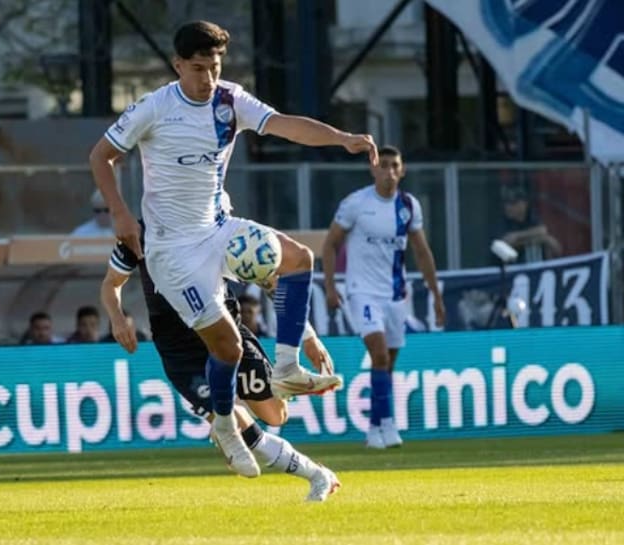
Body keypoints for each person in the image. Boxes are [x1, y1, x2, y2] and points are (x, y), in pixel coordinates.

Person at [89, 20, 375, 477]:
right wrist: (121, 214)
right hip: (173, 253)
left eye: (215, 66)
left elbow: (284, 125)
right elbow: (99, 156)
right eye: (199, 68)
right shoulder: (154, 108)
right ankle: (224, 425)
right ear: (178, 65)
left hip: (218, 228)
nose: (208, 78)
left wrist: (341, 138)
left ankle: (286, 365)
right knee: (227, 350)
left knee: (299, 258)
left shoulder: (229, 99)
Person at [101, 235, 340, 501]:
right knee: (244, 431)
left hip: (227, 333)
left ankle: (226, 420)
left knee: (276, 416)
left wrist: (307, 336)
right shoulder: (139, 234)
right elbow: (111, 283)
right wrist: (117, 318)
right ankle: (317, 476)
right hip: (181, 351)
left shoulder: (211, 228)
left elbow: (270, 280)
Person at [322, 146, 445, 449]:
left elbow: (421, 251)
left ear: (402, 171)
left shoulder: (408, 206)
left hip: (395, 294)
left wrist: (436, 295)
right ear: (374, 169)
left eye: (395, 166)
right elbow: (329, 245)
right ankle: (389, 426)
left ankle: (374, 428)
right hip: (361, 292)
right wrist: (329, 286)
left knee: (387, 363)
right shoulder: (356, 204)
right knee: (377, 353)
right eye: (384, 165)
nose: (389, 172)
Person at [497, 184, 562, 263]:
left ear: (524, 204)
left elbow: (544, 233)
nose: (508, 207)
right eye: (506, 203)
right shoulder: (503, 223)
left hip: (539, 269)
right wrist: (538, 239)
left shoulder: (532, 218)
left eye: (513, 203)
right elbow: (505, 244)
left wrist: (517, 236)